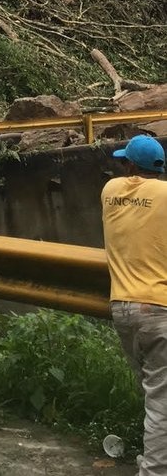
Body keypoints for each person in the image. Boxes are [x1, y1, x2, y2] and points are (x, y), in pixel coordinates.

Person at [102, 134, 167, 475]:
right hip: (159, 308)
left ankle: (156, 461)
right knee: (161, 399)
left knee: (155, 393)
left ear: (129, 165)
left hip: (123, 307)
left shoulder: (110, 192)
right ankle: (155, 470)